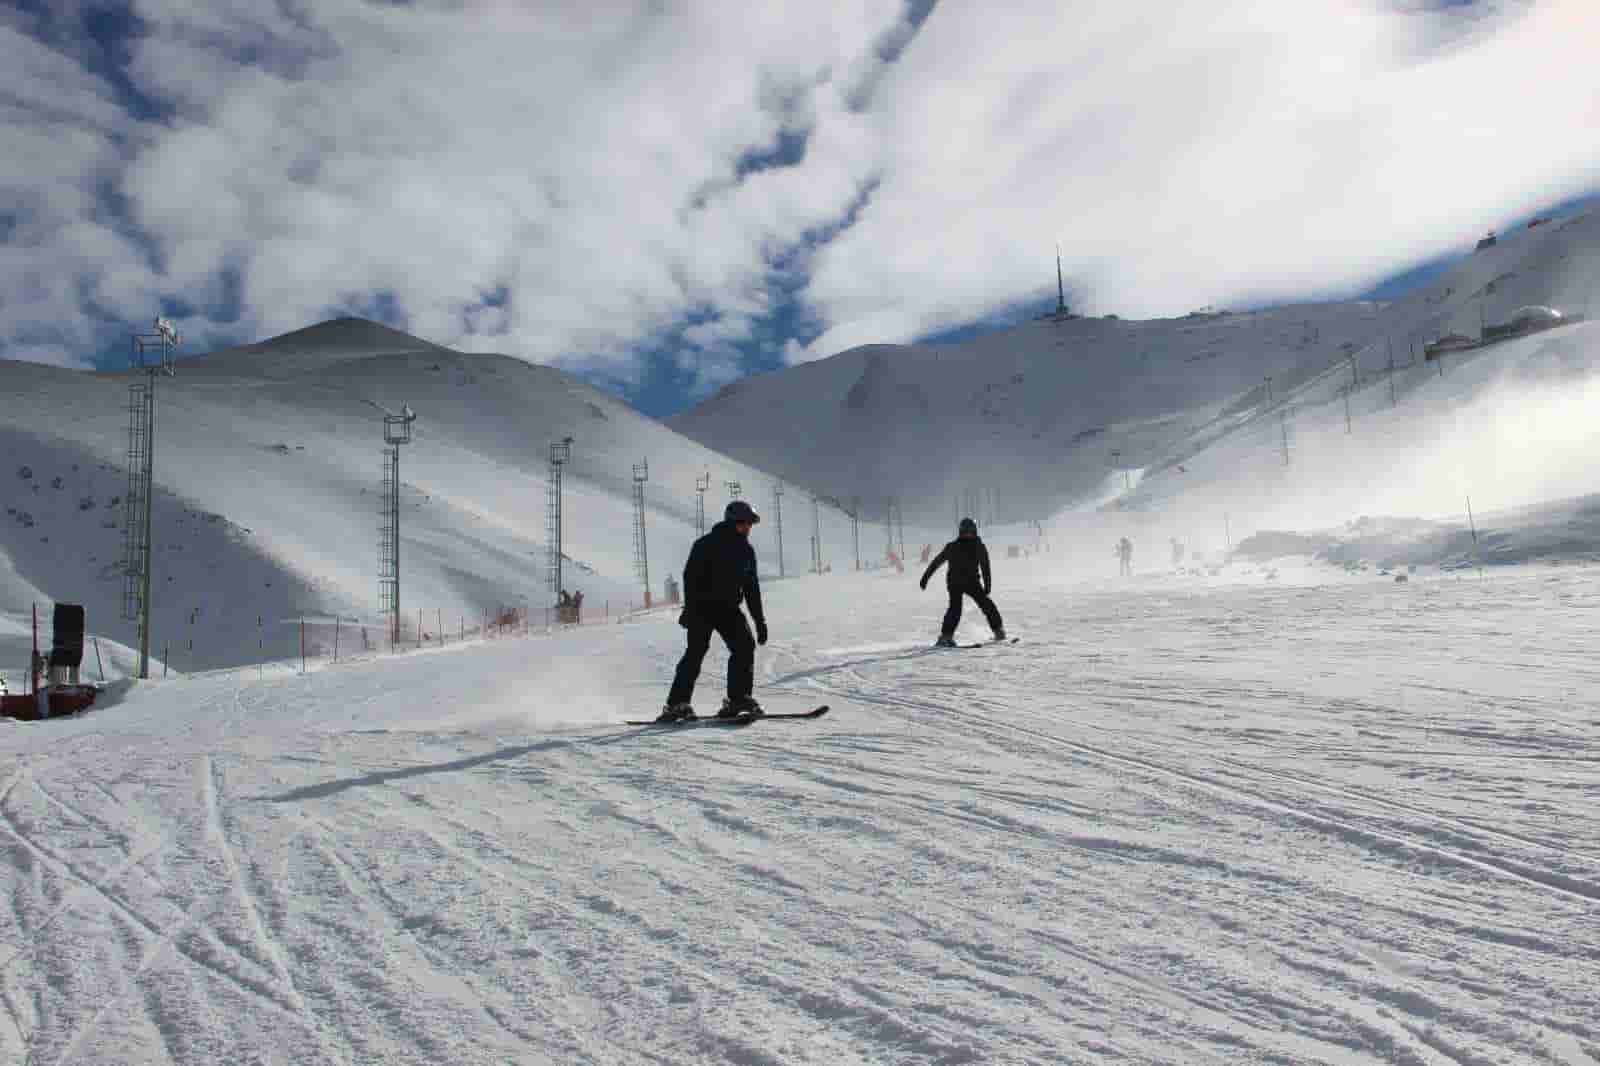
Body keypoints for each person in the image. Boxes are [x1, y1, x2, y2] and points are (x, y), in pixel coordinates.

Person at [658, 500, 769, 722]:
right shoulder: (706, 544)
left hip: (728, 608)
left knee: (744, 645)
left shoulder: (746, 551)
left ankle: (738, 699)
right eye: (744, 524)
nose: (748, 528)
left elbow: (751, 588)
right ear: (732, 522)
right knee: (696, 652)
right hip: (702, 607)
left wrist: (759, 621)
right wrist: (690, 609)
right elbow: (690, 577)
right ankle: (677, 704)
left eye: (750, 524)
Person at [919, 517, 1004, 647]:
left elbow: (985, 566)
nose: (968, 535)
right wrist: (925, 578)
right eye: (966, 532)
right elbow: (936, 562)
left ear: (975, 532)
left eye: (970, 532)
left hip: (972, 582)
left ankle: (998, 631)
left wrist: (987, 585)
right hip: (955, 583)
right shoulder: (952, 547)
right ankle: (945, 637)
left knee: (987, 605)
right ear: (961, 532)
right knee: (955, 608)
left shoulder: (978, 546)